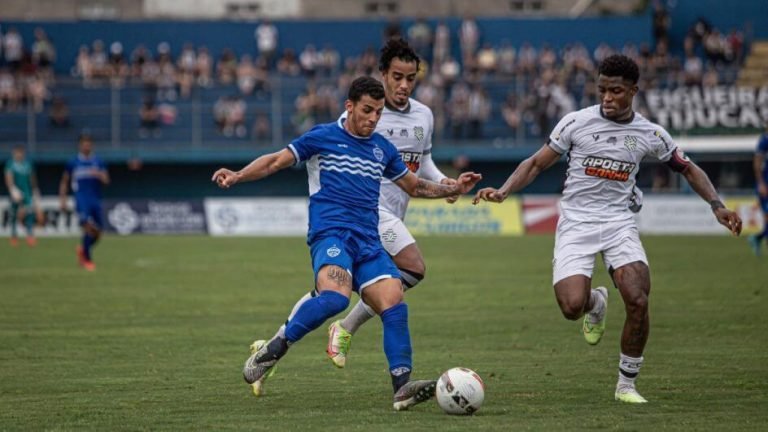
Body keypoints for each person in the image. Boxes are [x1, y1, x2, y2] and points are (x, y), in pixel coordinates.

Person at [472, 55, 742, 404]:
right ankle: (596, 301)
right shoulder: (576, 123)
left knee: (638, 298)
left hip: (619, 221)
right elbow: (537, 163)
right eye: (602, 90)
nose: (607, 98)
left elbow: (688, 169)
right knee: (571, 306)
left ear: (633, 90)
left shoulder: (650, 133)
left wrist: (717, 205)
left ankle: (626, 384)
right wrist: (504, 190)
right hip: (576, 221)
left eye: (616, 91)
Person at [211, 76, 481, 410]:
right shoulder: (323, 137)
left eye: (378, 113)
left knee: (393, 298)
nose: (373, 118)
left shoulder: (382, 148)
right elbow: (275, 161)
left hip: (368, 240)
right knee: (335, 298)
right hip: (332, 235)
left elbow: (414, 186)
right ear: (349, 106)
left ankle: (402, 387)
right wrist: (237, 175)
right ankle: (275, 347)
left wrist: (451, 189)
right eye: (367, 110)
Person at [324, 38, 458, 369]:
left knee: (374, 286)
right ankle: (360, 339)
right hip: (365, 211)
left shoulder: (424, 115)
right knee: (413, 267)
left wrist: (444, 182)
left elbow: (422, 163)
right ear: (383, 74)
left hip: (395, 213)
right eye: (397, 76)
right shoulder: (364, 114)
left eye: (410, 78)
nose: (403, 84)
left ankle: (274, 345)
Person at [59, 133, 110, 271]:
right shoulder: (73, 162)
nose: (86, 146)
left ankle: (83, 249)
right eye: (84, 143)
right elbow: (64, 181)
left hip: (95, 199)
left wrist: (98, 174)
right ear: (80, 145)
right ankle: (87, 259)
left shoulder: (98, 161)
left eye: (89, 143)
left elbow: (106, 180)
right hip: (81, 199)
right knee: (88, 227)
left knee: (98, 233)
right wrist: (62, 199)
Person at [4, 146, 42, 247]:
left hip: (27, 193)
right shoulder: (10, 164)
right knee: (13, 214)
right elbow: (8, 177)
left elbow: (32, 178)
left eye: (21, 152)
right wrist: (12, 189)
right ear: (14, 153)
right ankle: (13, 236)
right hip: (15, 193)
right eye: (17, 152)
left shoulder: (28, 165)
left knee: (29, 214)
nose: (19, 155)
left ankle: (30, 235)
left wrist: (35, 190)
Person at [749, 122, 768, 255]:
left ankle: (757, 237)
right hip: (766, 185)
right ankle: (758, 238)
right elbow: (757, 163)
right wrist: (761, 183)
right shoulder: (764, 141)